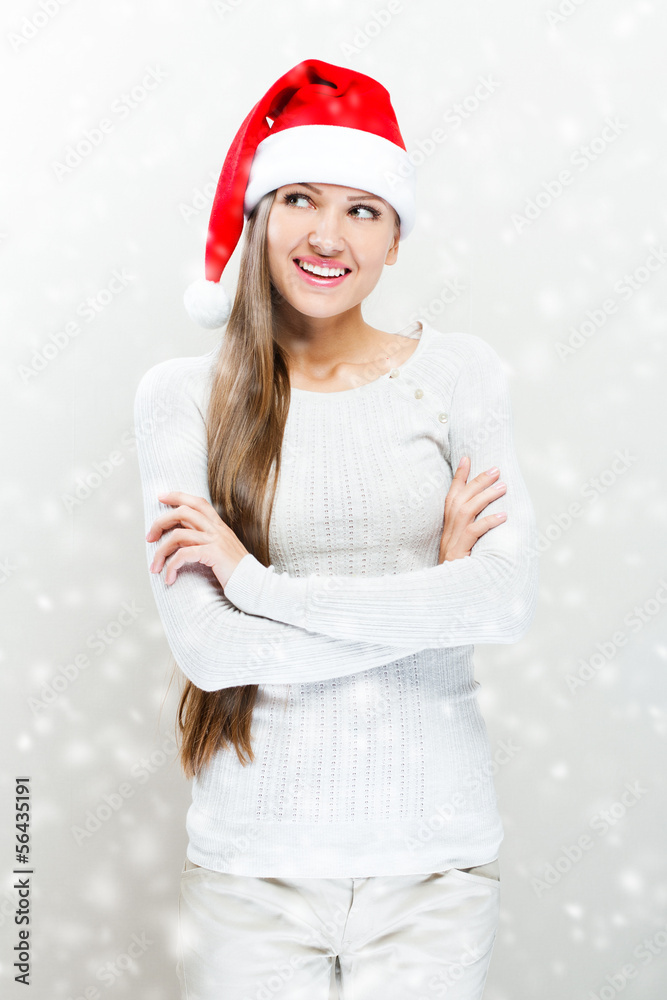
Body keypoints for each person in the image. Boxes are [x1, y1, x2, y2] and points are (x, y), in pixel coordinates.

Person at [134, 58, 539, 1000]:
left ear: (396, 238)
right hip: (252, 872)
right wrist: (431, 602)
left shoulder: (460, 376)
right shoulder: (183, 399)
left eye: (363, 209)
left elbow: (505, 601)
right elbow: (208, 649)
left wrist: (258, 586)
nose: (328, 235)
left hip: (431, 866)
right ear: (259, 217)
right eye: (301, 199)